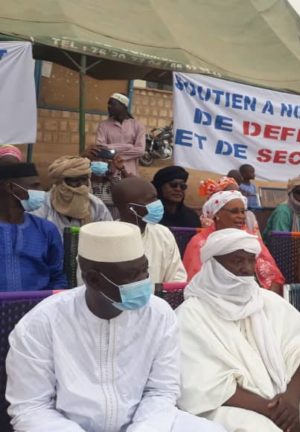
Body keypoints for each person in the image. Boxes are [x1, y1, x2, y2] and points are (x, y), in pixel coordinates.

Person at [5, 221, 224, 431]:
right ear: (93, 279)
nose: (144, 281)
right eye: (133, 275)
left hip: (147, 424)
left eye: (145, 271)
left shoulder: (159, 314)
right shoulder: (42, 323)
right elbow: (31, 407)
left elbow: (162, 390)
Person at [175, 228, 300, 431]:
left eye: (251, 260)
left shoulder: (268, 301)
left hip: (286, 394)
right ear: (214, 265)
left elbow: (299, 352)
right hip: (227, 406)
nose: (246, 268)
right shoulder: (190, 315)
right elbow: (205, 385)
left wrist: (291, 404)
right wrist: (272, 410)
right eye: (237, 261)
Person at [184, 191, 284, 292]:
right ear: (217, 213)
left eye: (243, 212)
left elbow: (274, 277)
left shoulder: (250, 238)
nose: (241, 216)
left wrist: (268, 297)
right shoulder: (200, 242)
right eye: (234, 211)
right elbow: (196, 282)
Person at [0, 163, 66, 291]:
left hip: (39, 303)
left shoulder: (46, 230)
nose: (41, 191)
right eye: (35, 186)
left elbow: (57, 277)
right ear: (10, 187)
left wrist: (52, 301)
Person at [111, 176, 187, 284]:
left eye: (156, 198)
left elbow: (177, 277)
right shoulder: (107, 240)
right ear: (131, 208)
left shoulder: (163, 233)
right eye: (151, 200)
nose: (158, 203)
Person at [32, 155, 113, 236]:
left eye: (84, 179)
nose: (81, 185)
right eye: (74, 180)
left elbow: (109, 233)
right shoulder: (44, 204)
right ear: (61, 182)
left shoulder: (96, 205)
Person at [95, 93, 146, 176]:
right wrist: (129, 147)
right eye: (108, 104)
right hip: (110, 172)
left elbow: (140, 150)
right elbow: (100, 148)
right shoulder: (103, 125)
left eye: (112, 104)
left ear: (123, 106)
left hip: (130, 172)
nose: (109, 107)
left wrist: (118, 155)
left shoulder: (137, 125)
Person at [84, 146, 128, 219]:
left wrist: (122, 169)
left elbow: (130, 188)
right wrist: (81, 158)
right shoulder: (85, 181)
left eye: (104, 161)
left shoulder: (115, 181)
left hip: (112, 219)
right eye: (96, 160)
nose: (99, 163)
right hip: (91, 217)